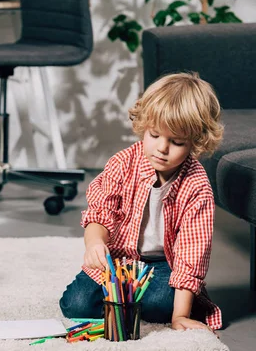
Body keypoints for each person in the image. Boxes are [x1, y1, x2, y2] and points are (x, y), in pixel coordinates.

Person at [59, 72, 224, 331]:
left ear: (195, 142)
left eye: (177, 142)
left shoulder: (197, 185)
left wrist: (180, 316)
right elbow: (100, 211)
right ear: (144, 127)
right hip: (119, 258)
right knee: (75, 306)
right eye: (154, 135)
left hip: (162, 263)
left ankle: (135, 302)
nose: (162, 148)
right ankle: (126, 300)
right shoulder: (123, 163)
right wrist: (95, 243)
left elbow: (191, 253)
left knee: (162, 306)